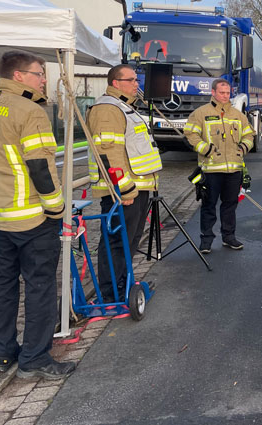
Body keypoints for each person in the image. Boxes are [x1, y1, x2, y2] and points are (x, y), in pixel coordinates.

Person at [0, 50, 76, 379]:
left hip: (0, 215)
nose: (44, 79)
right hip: (32, 217)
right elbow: (40, 167)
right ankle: (35, 359)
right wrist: (57, 209)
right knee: (40, 287)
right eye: (38, 73)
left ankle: (2, 355)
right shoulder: (30, 111)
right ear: (19, 76)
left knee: (3, 285)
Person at [87, 64, 162, 302]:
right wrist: (124, 188)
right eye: (131, 80)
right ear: (115, 83)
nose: (136, 84)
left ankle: (124, 283)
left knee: (128, 243)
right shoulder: (108, 109)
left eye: (136, 80)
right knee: (117, 244)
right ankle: (112, 294)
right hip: (123, 191)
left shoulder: (124, 107)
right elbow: (110, 153)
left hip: (137, 188)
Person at [184, 79, 254, 253]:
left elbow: (249, 135)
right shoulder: (200, 113)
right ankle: (206, 240)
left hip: (234, 170)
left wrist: (243, 148)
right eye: (221, 92)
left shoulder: (238, 115)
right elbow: (190, 134)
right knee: (208, 206)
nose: (225, 96)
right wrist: (206, 150)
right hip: (211, 169)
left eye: (227, 92)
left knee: (230, 206)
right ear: (213, 93)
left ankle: (229, 237)